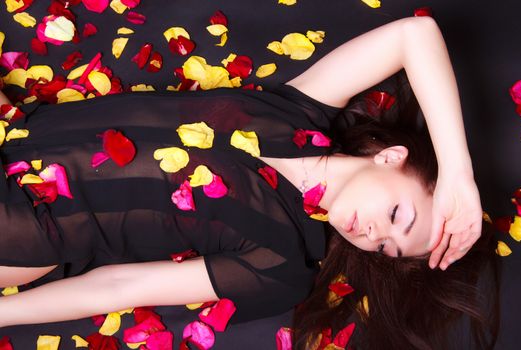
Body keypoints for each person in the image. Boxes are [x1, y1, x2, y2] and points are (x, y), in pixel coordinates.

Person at [0, 16, 493, 347]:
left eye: (386, 248)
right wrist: (457, 176)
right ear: (391, 158)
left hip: (26, 227)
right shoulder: (299, 109)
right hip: (17, 135)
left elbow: (119, 286)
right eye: (396, 216)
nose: (373, 236)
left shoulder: (281, 267)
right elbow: (415, 34)